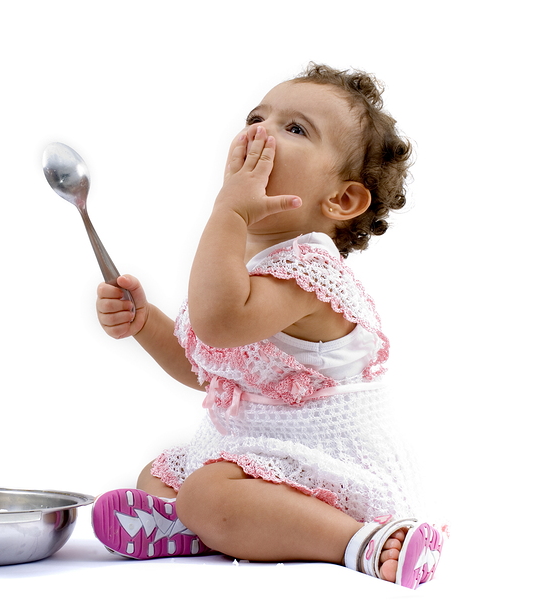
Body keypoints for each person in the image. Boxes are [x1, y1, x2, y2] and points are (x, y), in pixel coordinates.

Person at [90, 63, 444, 590]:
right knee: (161, 479)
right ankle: (216, 528)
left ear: (341, 200)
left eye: (294, 128)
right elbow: (209, 371)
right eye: (257, 116)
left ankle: (360, 541)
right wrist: (146, 325)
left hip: (327, 465)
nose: (259, 131)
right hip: (258, 451)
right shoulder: (246, 264)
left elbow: (218, 324)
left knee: (208, 493)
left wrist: (228, 213)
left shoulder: (311, 271)